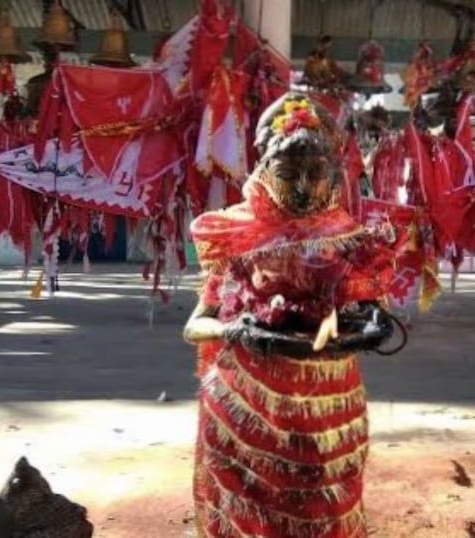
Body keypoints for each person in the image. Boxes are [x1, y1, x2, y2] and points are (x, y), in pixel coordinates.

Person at [183, 92, 395, 537]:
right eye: (289, 173)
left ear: (335, 177)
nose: (304, 187)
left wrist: (374, 324)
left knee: (324, 504)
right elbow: (195, 326)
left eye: (316, 174)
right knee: (249, 511)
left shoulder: (348, 235)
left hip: (327, 409)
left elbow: (368, 304)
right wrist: (237, 331)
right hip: (247, 408)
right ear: (264, 170)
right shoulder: (234, 231)